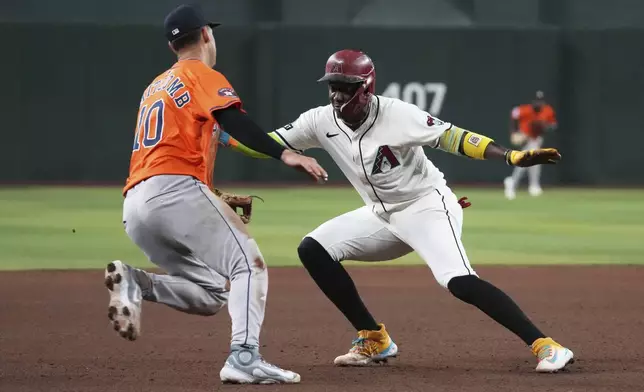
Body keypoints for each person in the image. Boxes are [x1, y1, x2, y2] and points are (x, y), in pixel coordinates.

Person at [219, 49, 574, 373]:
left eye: (346, 86)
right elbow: (264, 145)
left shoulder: (397, 115)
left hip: (427, 207)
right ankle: (374, 338)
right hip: (381, 214)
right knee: (313, 248)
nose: (337, 94)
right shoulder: (319, 120)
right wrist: (220, 136)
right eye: (332, 86)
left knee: (459, 281)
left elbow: (454, 138)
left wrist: (509, 156)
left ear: (366, 88)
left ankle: (547, 346)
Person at [104, 4, 328, 385]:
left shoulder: (156, 85)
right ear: (206, 34)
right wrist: (286, 153)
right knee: (248, 266)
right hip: (174, 190)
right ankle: (244, 357)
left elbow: (195, 140)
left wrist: (208, 195)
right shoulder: (200, 73)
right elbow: (233, 120)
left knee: (211, 294)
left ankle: (135, 283)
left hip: (137, 204)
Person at [504, 91, 558, 199]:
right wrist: (514, 132)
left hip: (536, 138)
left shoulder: (548, 110)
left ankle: (514, 182)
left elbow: (553, 124)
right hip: (524, 137)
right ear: (533, 102)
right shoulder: (525, 110)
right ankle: (532, 185)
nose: (538, 103)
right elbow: (514, 114)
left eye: (540, 101)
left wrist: (547, 127)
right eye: (537, 101)